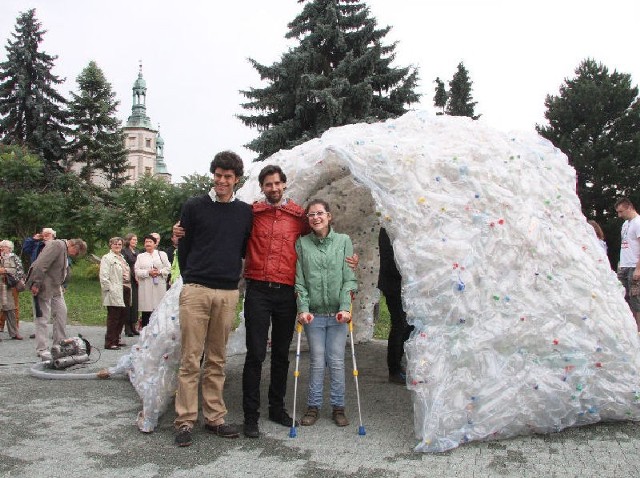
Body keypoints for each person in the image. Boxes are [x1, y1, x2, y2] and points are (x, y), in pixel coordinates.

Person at [173, 164, 358, 438]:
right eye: (267, 184)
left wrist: (348, 258)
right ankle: (250, 416)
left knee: (281, 354)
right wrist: (179, 234)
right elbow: (225, 232)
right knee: (256, 354)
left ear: (284, 185)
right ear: (262, 187)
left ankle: (276, 408)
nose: (273, 188)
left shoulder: (298, 217)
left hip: (285, 292)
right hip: (257, 289)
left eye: (277, 183)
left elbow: (320, 236)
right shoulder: (251, 213)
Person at [173, 151, 253, 447]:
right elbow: (184, 245)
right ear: (213, 175)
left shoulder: (245, 212)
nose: (222, 181)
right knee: (191, 357)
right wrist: (192, 275)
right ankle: (184, 421)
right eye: (218, 175)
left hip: (228, 292)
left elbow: (243, 248)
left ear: (236, 180)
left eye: (228, 177)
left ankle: (215, 418)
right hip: (196, 289)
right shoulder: (193, 206)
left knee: (217, 359)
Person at [295, 199, 358, 427]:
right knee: (317, 362)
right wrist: (303, 309)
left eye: (320, 213)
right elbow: (300, 281)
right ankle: (313, 407)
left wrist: (344, 307)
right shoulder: (302, 244)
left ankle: (338, 408)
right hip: (314, 316)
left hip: (337, 315)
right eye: (311, 215)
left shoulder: (343, 241)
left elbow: (349, 279)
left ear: (329, 216)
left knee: (337, 361)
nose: (315, 218)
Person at [26, 238, 87, 357]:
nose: (75, 255)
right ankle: (42, 349)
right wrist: (36, 283)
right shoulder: (57, 245)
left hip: (56, 287)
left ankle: (59, 344)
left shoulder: (63, 249)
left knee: (61, 313)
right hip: (43, 285)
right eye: (76, 253)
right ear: (74, 247)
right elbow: (41, 263)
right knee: (42, 317)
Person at [378, 227, 414, 384]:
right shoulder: (389, 228)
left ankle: (399, 364)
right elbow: (391, 260)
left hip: (406, 285)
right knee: (400, 323)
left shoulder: (402, 226)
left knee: (408, 325)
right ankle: (394, 370)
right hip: (393, 284)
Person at [100, 237, 132, 350]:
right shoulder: (107, 258)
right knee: (114, 317)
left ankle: (117, 339)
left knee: (123, 316)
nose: (117, 246)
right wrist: (110, 290)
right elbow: (104, 277)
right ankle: (110, 342)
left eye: (119, 244)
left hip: (126, 288)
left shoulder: (122, 258)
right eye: (115, 244)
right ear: (110, 245)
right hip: (115, 290)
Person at [134, 235, 171, 328]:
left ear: (155, 244)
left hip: (159, 286)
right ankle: (145, 334)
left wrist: (160, 272)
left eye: (150, 242)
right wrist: (147, 272)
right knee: (146, 311)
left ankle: (158, 335)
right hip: (145, 286)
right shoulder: (140, 256)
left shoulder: (161, 254)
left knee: (158, 311)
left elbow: (168, 268)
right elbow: (137, 271)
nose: (148, 244)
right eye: (146, 242)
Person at [615, 197, 640, 331]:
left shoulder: (638, 223)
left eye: (621, 211)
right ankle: (628, 328)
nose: (619, 215)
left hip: (634, 266)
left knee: (636, 300)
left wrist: (638, 269)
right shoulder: (625, 224)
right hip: (624, 266)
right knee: (621, 297)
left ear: (629, 207)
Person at [0, 240, 24, 340]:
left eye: (4, 246)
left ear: (10, 248)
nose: (2, 248)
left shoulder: (14, 258)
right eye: (2, 246)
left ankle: (14, 332)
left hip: (8, 286)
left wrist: (5, 270)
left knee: (11, 309)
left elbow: (18, 270)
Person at [122, 233, 140, 336]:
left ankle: (133, 325)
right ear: (128, 240)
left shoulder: (137, 251)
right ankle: (127, 327)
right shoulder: (125, 251)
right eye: (133, 240)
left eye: (136, 240)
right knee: (128, 302)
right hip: (129, 279)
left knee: (135, 304)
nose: (135, 241)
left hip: (137, 280)